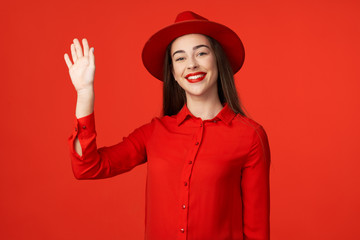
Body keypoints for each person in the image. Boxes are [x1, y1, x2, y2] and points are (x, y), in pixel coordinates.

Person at [64, 11, 271, 240]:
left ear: (218, 60)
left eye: (201, 53)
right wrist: (85, 94)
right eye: (180, 58)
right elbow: (87, 167)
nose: (191, 64)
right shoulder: (154, 132)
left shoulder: (250, 136)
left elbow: (256, 230)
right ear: (172, 72)